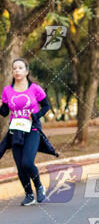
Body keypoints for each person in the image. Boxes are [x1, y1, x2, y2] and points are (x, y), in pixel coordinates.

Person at [0, 58, 58, 205]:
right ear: (12, 72)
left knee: (27, 162)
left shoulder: (35, 89)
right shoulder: (7, 90)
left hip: (32, 129)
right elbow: (5, 112)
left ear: (26, 71)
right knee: (20, 166)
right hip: (16, 131)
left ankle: (39, 186)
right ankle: (29, 195)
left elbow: (46, 106)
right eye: (14, 68)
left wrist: (37, 115)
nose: (17, 70)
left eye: (20, 68)